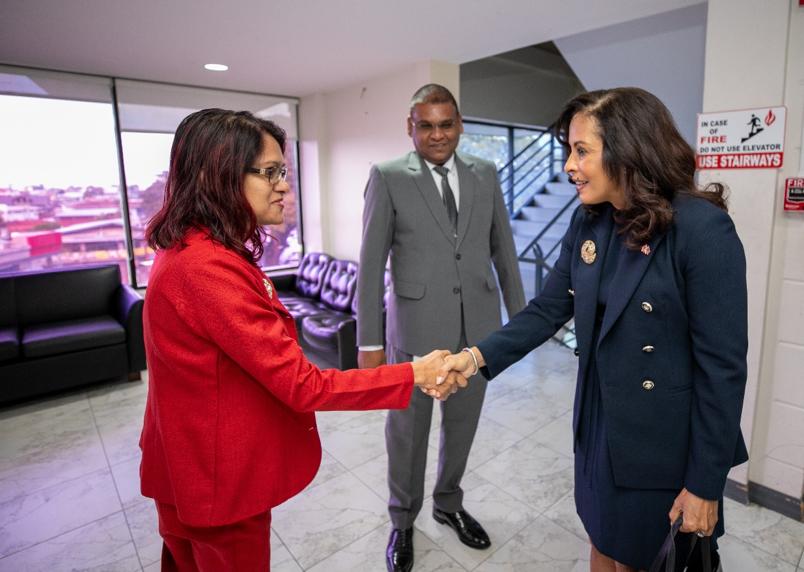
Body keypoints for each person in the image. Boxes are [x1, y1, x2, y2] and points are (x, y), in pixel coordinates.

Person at [139, 108, 463, 572]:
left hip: (186, 464)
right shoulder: (207, 269)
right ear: (219, 175)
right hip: (217, 483)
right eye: (270, 172)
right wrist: (414, 372)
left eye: (283, 172)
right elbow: (304, 385)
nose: (284, 187)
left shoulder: (186, 248)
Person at [439, 87, 748, 572]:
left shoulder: (701, 230)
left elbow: (723, 370)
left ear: (628, 150)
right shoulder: (590, 221)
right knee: (602, 540)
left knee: (644, 557)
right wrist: (474, 358)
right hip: (599, 421)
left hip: (661, 439)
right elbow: (547, 308)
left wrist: (705, 485)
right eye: (569, 150)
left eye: (581, 150)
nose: (569, 165)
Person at [356, 84, 526, 572]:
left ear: (460, 124)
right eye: (425, 125)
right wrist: (370, 342)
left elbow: (503, 250)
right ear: (410, 127)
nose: (437, 135)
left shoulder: (484, 172)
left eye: (446, 124)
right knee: (407, 434)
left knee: (463, 426)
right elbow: (371, 265)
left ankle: (448, 503)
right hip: (414, 331)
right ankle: (403, 520)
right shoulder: (388, 176)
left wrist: (521, 326)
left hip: (477, 332)